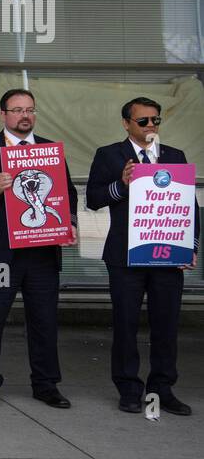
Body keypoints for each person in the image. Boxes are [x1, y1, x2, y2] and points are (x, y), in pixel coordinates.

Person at [0, 88, 77, 409]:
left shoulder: (50, 149)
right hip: (2, 256)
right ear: (3, 114)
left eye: (30, 110)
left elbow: (68, 194)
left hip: (42, 254)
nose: (25, 115)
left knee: (44, 321)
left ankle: (46, 384)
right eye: (17, 110)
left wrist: (71, 224)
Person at [87, 97, 199, 416]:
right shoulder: (109, 155)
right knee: (125, 324)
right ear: (126, 124)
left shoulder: (173, 156)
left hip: (166, 255)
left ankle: (162, 387)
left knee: (166, 325)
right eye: (143, 121)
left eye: (155, 120)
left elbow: (188, 205)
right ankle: (129, 388)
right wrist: (121, 185)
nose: (151, 126)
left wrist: (189, 245)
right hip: (125, 257)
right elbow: (94, 199)